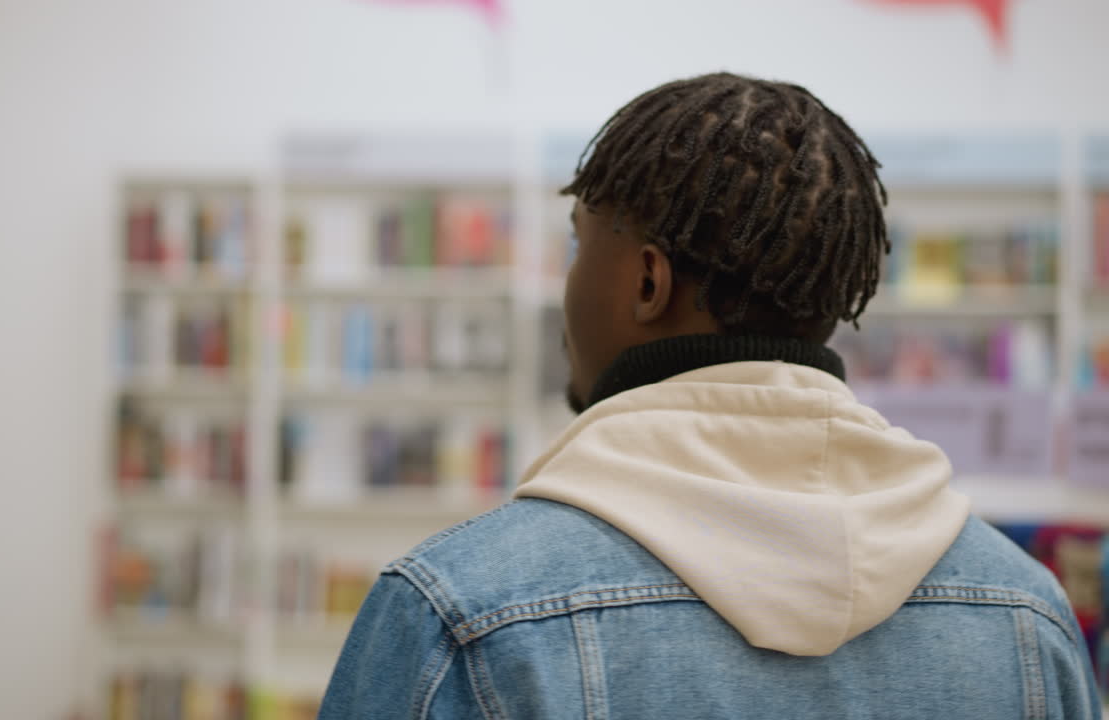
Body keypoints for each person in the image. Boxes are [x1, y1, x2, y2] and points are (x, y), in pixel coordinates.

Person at [317, 73, 1101, 719]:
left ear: (649, 282)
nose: (566, 285)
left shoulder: (461, 613)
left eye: (580, 246)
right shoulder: (1025, 614)